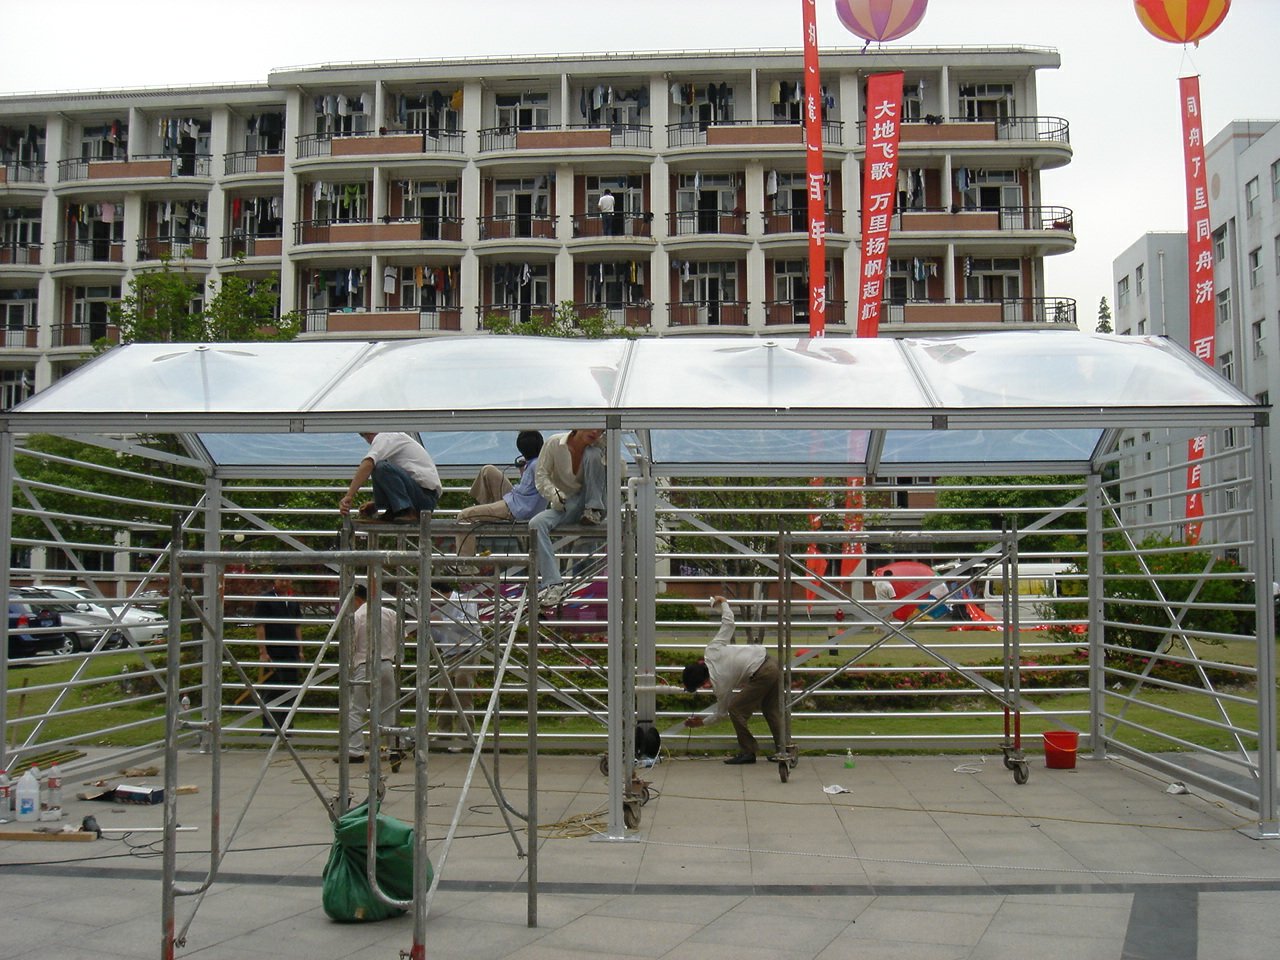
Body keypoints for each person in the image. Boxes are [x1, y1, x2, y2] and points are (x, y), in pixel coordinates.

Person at [681, 596, 785, 765]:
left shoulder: (720, 685)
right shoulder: (711, 651)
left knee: (735, 709)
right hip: (770, 661)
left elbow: (721, 714)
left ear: (703, 683)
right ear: (700, 663)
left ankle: (748, 751)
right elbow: (729, 623)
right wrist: (723, 604)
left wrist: (701, 723)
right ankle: (784, 749)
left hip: (762, 673)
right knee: (770, 709)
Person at [528, 429, 606, 606]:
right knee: (536, 524)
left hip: (595, 501)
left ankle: (593, 509)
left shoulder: (599, 447)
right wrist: (555, 495)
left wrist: (607, 451)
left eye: (601, 428)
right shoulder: (554, 443)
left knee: (594, 454)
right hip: (566, 503)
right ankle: (554, 583)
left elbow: (620, 474)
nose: (596, 432)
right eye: (592, 425)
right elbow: (541, 476)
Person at [455, 430, 548, 558]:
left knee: (463, 517)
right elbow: (530, 490)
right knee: (488, 470)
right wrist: (524, 467)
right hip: (516, 500)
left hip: (515, 510)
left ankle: (465, 565)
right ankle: (486, 511)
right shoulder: (535, 463)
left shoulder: (536, 466)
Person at [341, 583, 399, 763]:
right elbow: (400, 636)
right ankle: (391, 750)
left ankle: (355, 750)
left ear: (356, 599)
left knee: (355, 709)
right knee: (388, 708)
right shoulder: (389, 613)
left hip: (364, 665)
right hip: (387, 664)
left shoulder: (357, 616)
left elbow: (351, 644)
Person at [339, 432, 442, 524]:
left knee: (380, 467)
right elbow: (399, 482)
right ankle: (396, 509)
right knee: (381, 468)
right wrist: (376, 505)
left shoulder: (386, 435)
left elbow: (368, 463)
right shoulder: (394, 443)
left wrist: (349, 495)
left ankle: (405, 510)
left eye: (366, 436)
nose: (368, 441)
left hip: (425, 499)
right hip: (423, 498)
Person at [430, 583, 483, 749]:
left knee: (463, 694)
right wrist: (430, 626)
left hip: (467, 652)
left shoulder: (466, 601)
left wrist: (442, 621)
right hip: (448, 654)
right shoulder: (436, 608)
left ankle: (463, 736)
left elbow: (468, 624)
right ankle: (443, 733)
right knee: (443, 695)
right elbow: (438, 636)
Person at [255, 573, 303, 736]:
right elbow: (260, 625)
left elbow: (297, 626)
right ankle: (269, 728)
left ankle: (287, 727)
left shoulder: (293, 600)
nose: (285, 582)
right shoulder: (266, 599)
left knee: (290, 689)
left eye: (288, 579)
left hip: (291, 652)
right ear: (274, 580)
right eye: (281, 579)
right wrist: (263, 651)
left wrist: (300, 649)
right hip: (273, 651)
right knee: (272, 690)